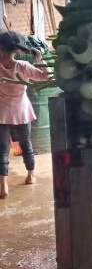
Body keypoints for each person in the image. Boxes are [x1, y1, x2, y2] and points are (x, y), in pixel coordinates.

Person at [0, 31, 51, 199]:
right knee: (26, 144)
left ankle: (3, 185)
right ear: (17, 50)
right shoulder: (23, 66)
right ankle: (30, 175)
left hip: (1, 111)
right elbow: (47, 77)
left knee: (2, 150)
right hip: (21, 109)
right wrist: (39, 59)